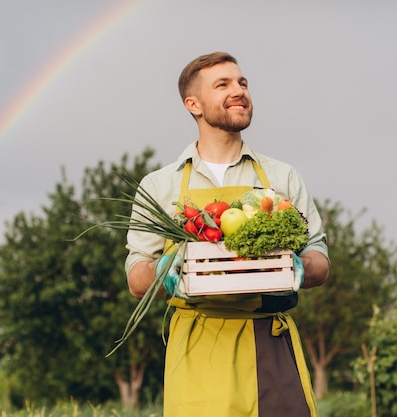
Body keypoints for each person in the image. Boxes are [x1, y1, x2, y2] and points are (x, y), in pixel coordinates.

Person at [125, 51, 329, 417]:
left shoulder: (282, 176)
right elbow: (136, 276)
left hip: (270, 339)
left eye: (243, 83)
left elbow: (320, 259)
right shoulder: (159, 185)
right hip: (196, 343)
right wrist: (161, 271)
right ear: (193, 104)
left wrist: (300, 264)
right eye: (223, 85)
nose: (239, 91)